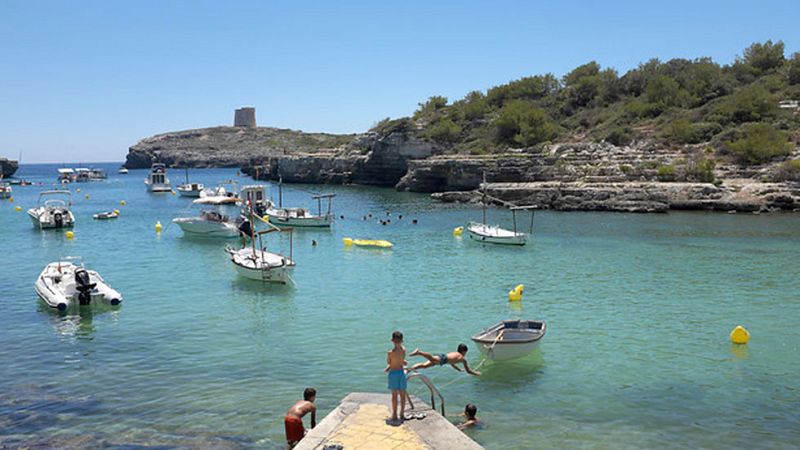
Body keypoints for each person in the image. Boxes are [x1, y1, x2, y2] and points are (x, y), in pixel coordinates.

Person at [409, 344, 481, 376]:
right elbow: (468, 371)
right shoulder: (462, 358)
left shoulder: (455, 354)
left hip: (442, 358)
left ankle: (409, 369)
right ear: (463, 351)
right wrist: (476, 373)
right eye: (465, 352)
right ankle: (419, 352)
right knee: (432, 358)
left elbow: (452, 364)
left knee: (424, 365)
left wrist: (459, 370)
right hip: (443, 359)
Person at [385, 331, 408, 423]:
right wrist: (403, 362)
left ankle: (394, 414)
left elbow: (389, 362)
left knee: (394, 395)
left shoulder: (390, 353)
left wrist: (388, 367)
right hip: (401, 373)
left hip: (393, 374)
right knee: (402, 394)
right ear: (402, 340)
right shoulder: (404, 350)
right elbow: (401, 360)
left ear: (392, 340)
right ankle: (402, 413)